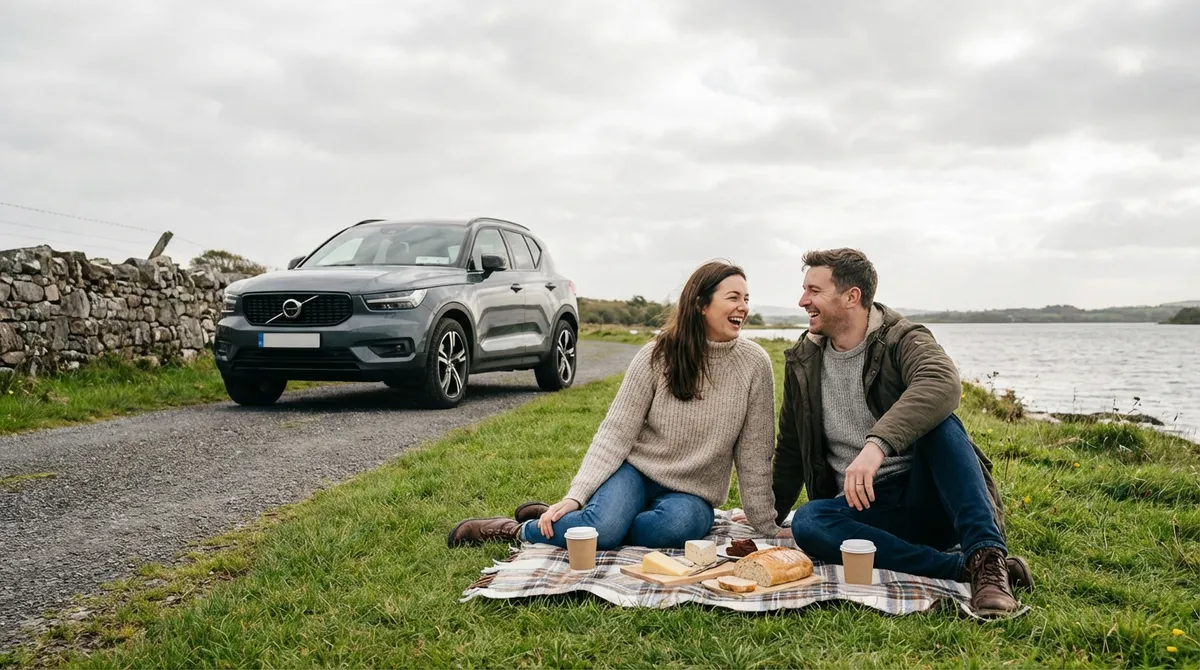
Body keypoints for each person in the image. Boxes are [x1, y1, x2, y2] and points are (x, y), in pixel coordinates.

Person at [766, 248, 1031, 617]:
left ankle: (988, 559)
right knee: (809, 522)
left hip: (930, 498)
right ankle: (960, 569)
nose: (802, 300)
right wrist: (771, 514)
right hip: (867, 511)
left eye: (814, 290)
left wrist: (877, 445)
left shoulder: (903, 338)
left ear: (851, 296)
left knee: (941, 422)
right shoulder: (804, 359)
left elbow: (941, 382)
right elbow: (792, 447)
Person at [447, 260, 783, 550]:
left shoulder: (755, 364)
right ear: (701, 304)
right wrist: (576, 496)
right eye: (734, 298)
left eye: (747, 299)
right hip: (636, 471)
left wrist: (765, 523)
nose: (743, 307)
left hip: (692, 493)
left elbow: (755, 453)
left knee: (680, 528)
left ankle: (585, 522)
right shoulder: (657, 355)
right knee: (604, 531)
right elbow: (615, 432)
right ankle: (518, 529)